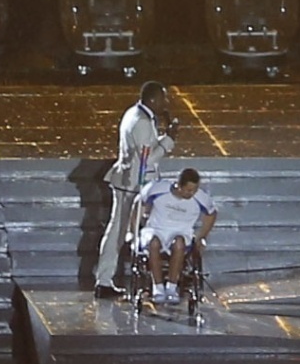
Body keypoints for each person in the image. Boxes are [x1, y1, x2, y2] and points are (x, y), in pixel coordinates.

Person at [87, 83, 171, 297]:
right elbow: (147, 159)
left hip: (129, 180)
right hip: (134, 185)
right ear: (153, 100)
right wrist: (170, 139)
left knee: (120, 230)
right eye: (164, 98)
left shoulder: (134, 114)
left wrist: (161, 138)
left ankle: (110, 280)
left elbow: (145, 149)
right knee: (119, 231)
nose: (166, 103)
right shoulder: (141, 121)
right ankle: (106, 281)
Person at [138, 162, 217, 311]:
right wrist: (133, 229)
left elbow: (211, 214)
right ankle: (158, 287)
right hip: (156, 228)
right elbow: (139, 203)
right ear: (178, 186)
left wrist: (201, 236)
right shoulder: (158, 189)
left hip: (182, 231)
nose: (191, 193)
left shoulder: (200, 198)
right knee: (154, 243)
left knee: (179, 243)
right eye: (188, 190)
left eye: (194, 190)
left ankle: (172, 287)